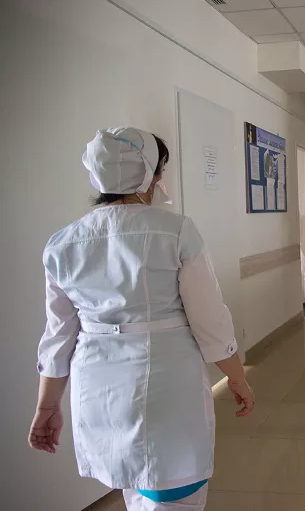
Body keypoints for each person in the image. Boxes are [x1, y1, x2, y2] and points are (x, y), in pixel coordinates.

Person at [28, 127, 255, 511]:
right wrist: (235, 376)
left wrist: (47, 405)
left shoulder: (62, 244)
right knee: (171, 496)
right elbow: (211, 321)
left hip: (98, 393)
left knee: (132, 489)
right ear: (152, 175)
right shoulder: (176, 231)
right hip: (167, 391)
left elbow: (58, 337)